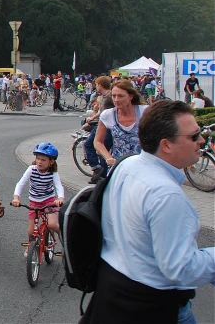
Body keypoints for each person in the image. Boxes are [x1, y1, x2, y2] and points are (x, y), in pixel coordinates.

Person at [81, 100, 215, 324]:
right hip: (154, 307)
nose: (201, 140)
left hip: (111, 295)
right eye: (193, 136)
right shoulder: (166, 196)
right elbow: (180, 269)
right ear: (166, 145)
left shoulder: (127, 165)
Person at [11, 143, 64, 255]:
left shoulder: (53, 173)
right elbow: (21, 183)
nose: (39, 162)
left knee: (52, 224)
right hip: (34, 202)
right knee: (31, 232)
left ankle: (64, 238)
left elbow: (59, 186)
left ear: (51, 162)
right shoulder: (31, 169)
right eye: (38, 158)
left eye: (43, 160)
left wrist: (60, 198)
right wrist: (16, 198)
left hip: (49, 201)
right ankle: (31, 246)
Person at [94, 79, 148, 167]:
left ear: (131, 96)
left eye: (121, 96)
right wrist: (108, 157)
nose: (116, 100)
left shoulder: (144, 111)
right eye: (114, 96)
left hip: (142, 165)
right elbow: (98, 141)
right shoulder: (108, 115)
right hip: (119, 165)